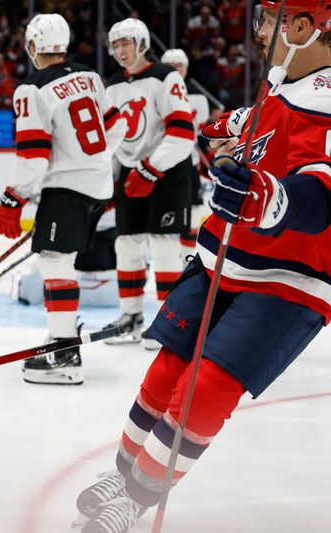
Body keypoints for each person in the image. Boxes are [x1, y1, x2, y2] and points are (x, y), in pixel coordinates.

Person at [75, 3, 331, 532]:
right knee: (164, 372)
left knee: (205, 389)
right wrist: (237, 127)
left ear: (302, 28)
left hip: (285, 281)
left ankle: (139, 496)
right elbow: (269, 132)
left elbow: (321, 186)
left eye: (269, 22)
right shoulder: (285, 81)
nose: (260, 33)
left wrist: (272, 198)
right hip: (223, 258)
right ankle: (122, 476)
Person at [0, 13, 127, 384]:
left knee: (55, 263)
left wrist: (13, 198)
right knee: (61, 262)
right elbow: (117, 127)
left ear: (33, 45)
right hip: (98, 186)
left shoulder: (31, 88)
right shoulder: (89, 76)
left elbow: (34, 155)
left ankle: (64, 351)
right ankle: (62, 331)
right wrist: (95, 165)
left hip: (66, 189)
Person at [102, 19, 196, 348]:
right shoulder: (112, 85)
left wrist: (150, 169)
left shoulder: (165, 77)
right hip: (132, 173)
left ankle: (167, 323)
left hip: (167, 174)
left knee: (164, 247)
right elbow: (113, 140)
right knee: (126, 246)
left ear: (142, 43)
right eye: (115, 45)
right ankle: (131, 317)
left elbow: (183, 134)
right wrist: (109, 180)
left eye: (126, 43)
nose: (120, 50)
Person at [160, 48, 213, 266]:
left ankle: (187, 260)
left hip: (188, 163)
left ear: (186, 68)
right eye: (170, 65)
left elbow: (200, 134)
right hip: (160, 162)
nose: (174, 69)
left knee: (192, 214)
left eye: (178, 65)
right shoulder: (155, 90)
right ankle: (164, 261)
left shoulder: (198, 98)